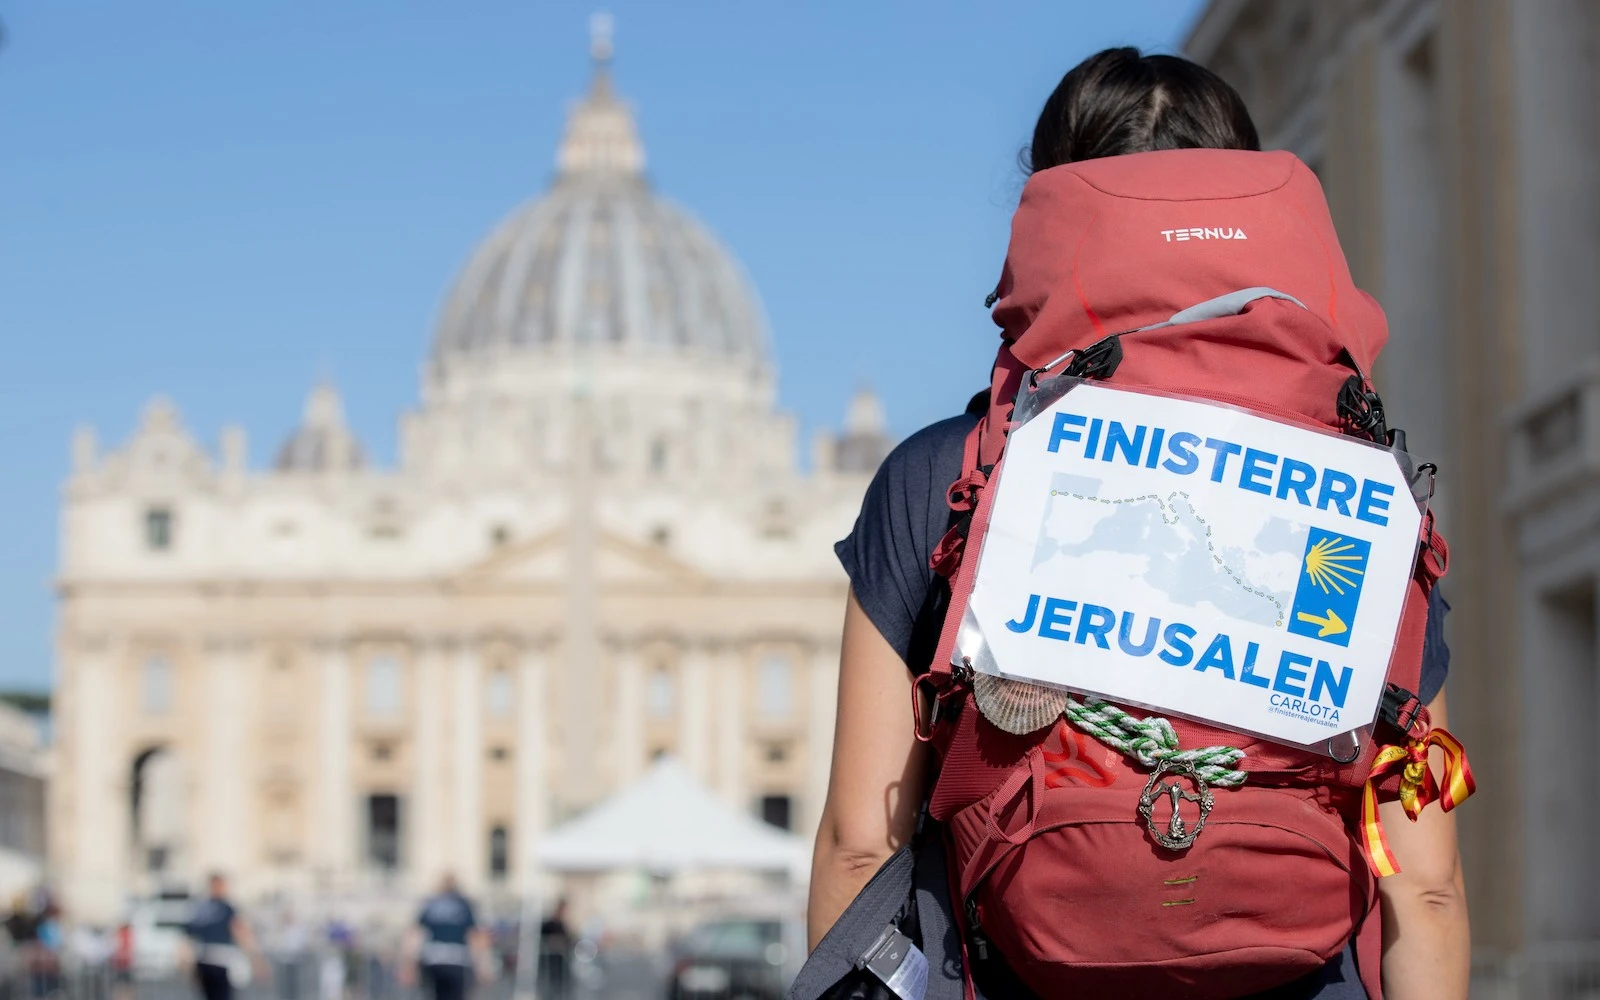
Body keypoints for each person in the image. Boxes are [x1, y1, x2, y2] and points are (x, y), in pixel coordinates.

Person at [808, 47, 1469, 1000]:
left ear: (1048, 215)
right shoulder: (1363, 500)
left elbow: (859, 841)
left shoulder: (945, 474)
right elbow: (1430, 889)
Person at [399, 876, 490, 1000]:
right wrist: (482, 965)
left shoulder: (430, 904)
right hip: (457, 959)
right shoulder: (463, 904)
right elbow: (475, 935)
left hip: (433, 958)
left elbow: (415, 934)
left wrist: (409, 964)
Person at [183, 874, 265, 1000]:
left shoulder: (200, 908)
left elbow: (188, 937)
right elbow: (241, 932)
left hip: (206, 960)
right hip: (220, 961)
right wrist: (256, 959)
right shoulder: (226, 908)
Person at [536, 899, 573, 998]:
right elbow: (543, 940)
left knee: (561, 987)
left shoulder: (562, 925)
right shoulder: (549, 924)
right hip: (551, 962)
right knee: (550, 988)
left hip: (561, 962)